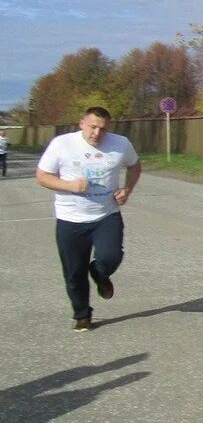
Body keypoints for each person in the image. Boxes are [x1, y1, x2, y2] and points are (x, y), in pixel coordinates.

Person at [35, 106, 141, 332]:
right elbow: (42, 176)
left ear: (108, 128)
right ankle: (82, 314)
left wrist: (127, 189)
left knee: (111, 256)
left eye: (102, 129)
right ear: (81, 123)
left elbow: (135, 165)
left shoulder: (120, 143)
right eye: (92, 127)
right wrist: (69, 185)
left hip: (106, 215)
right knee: (74, 272)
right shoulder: (62, 144)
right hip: (70, 218)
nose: (96, 133)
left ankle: (100, 272)